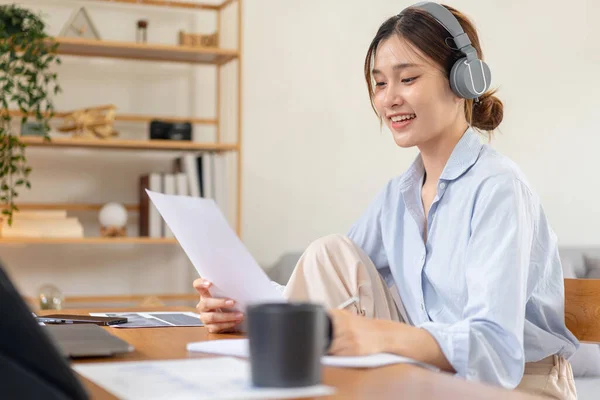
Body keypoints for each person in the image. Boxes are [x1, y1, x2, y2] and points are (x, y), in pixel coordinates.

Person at [194, 2, 579, 399]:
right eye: (379, 84)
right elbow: (325, 278)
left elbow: (496, 354)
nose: (388, 99)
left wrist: (380, 335)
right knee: (329, 252)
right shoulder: (398, 197)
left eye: (407, 79)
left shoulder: (498, 187)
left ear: (463, 80)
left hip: (520, 386)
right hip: (434, 378)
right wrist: (244, 311)